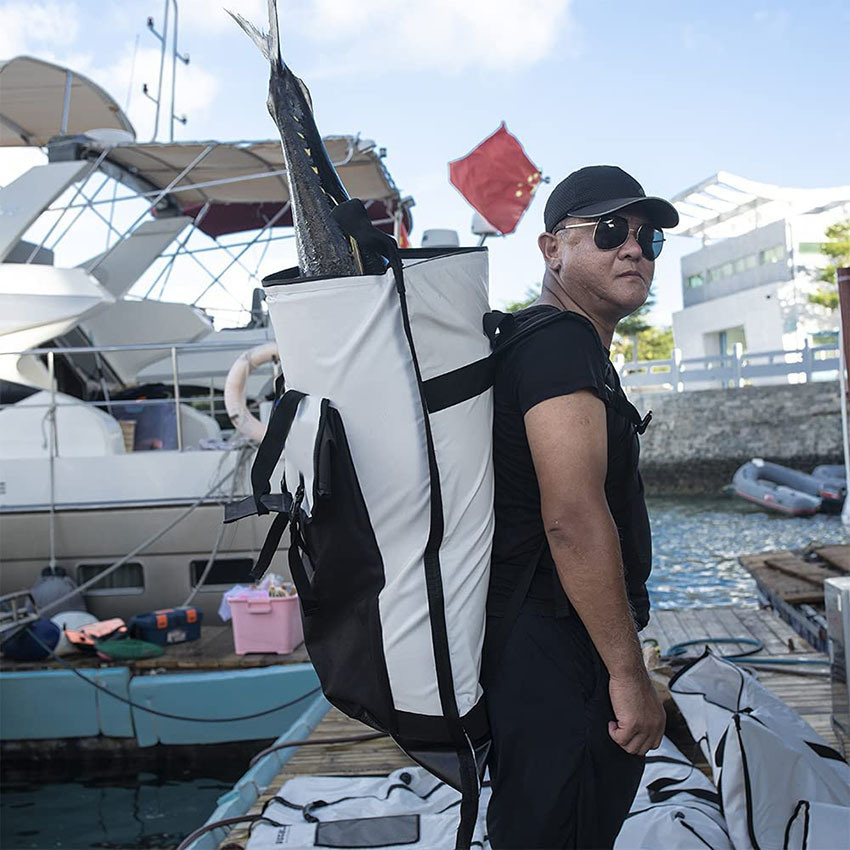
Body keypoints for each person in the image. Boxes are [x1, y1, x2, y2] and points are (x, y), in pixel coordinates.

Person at [482, 165, 679, 849]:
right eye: (609, 231)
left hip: (542, 647)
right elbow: (571, 519)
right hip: (554, 653)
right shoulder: (560, 343)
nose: (633, 248)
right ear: (551, 250)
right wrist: (629, 677)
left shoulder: (565, 347)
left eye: (647, 237)